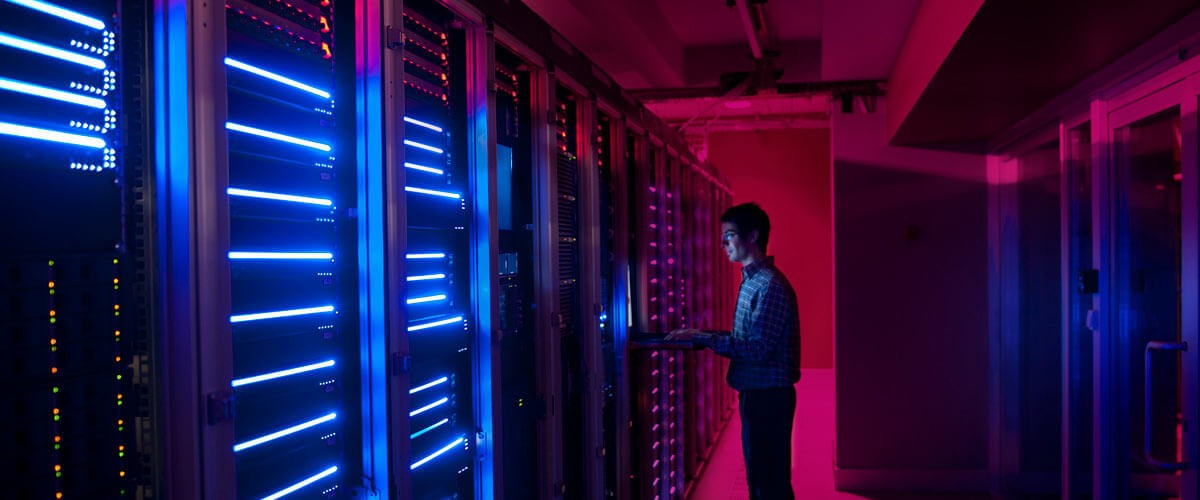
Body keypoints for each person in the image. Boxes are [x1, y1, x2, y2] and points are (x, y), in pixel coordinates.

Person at [668, 202, 801, 500]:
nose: (723, 244)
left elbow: (756, 350)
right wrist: (700, 334)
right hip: (759, 395)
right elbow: (748, 339)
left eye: (729, 235)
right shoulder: (753, 281)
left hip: (768, 398)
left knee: (769, 485)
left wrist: (705, 338)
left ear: (752, 237)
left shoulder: (769, 286)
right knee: (763, 480)